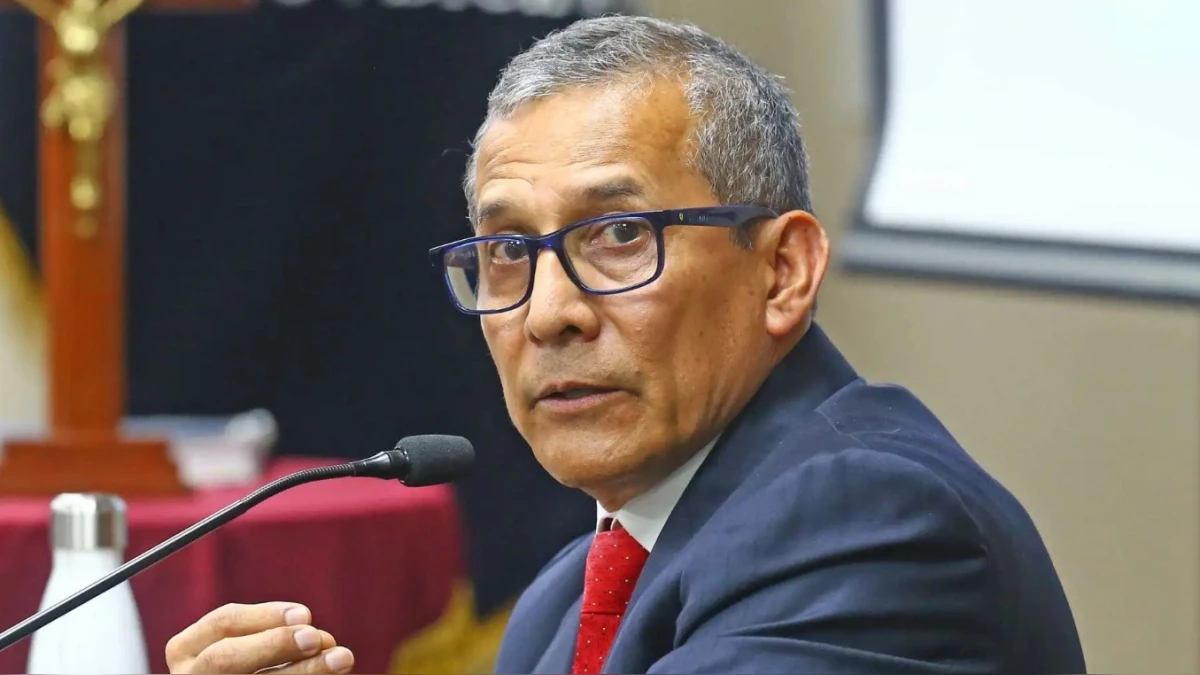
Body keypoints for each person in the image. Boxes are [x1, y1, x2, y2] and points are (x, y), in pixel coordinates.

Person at [164, 15, 1087, 675]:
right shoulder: (561, 602)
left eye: (618, 235)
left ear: (783, 271)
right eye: (506, 250)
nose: (549, 313)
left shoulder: (872, 524)